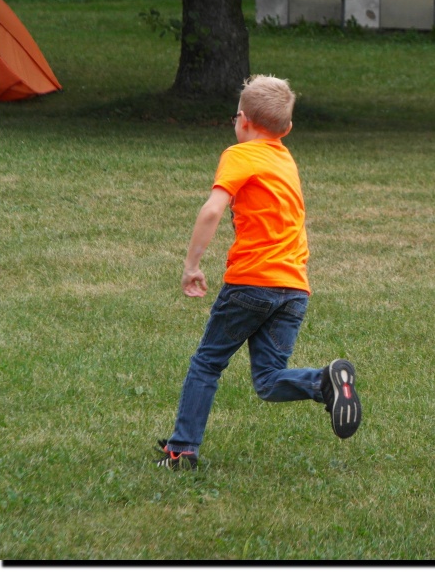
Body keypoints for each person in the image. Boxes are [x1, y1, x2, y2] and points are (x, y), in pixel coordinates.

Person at [154, 75, 362, 470]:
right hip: (294, 288)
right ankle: (324, 382)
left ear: (243, 120)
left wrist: (192, 265)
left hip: (251, 282)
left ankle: (181, 451)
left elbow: (214, 209)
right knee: (268, 380)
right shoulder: (285, 157)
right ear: (287, 129)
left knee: (207, 363)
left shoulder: (240, 154)